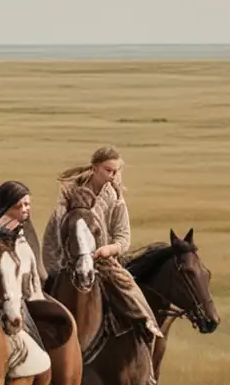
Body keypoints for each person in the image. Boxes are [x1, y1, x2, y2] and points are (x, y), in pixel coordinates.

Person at [40, 146, 162, 345]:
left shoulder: (115, 197)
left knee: (130, 289)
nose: (112, 176)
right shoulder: (70, 193)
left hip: (103, 260)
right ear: (95, 168)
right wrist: (65, 260)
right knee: (42, 294)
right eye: (108, 170)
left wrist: (108, 250)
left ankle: (148, 328)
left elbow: (123, 238)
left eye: (115, 171)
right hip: (67, 259)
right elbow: (57, 227)